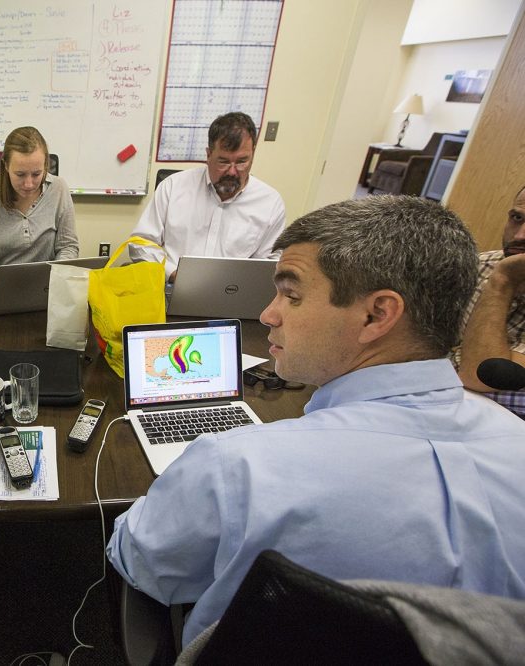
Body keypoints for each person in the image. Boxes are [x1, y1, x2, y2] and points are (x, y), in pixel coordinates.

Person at [107, 196, 525, 648]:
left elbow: (139, 561)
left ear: (377, 315)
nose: (269, 314)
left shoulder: (238, 464)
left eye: (292, 294)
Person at [130, 112, 285, 281]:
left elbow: (271, 264)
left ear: (253, 154)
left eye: (241, 162)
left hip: (233, 296)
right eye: (223, 162)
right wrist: (174, 274)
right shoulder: (173, 187)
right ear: (208, 154)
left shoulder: (270, 203)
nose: (232, 171)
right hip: (171, 288)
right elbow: (141, 243)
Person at [0, 126, 79, 285]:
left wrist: (55, 275)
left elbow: (68, 247)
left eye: (36, 174)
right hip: (0, 287)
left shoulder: (59, 188)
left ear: (46, 166)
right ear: (6, 166)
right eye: (20, 174)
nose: (29, 184)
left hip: (47, 287)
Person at [454, 185, 525, 417]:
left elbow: (480, 375)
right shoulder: (479, 265)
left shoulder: (501, 272)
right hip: (446, 403)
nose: (519, 236)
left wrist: (502, 281)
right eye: (517, 218)